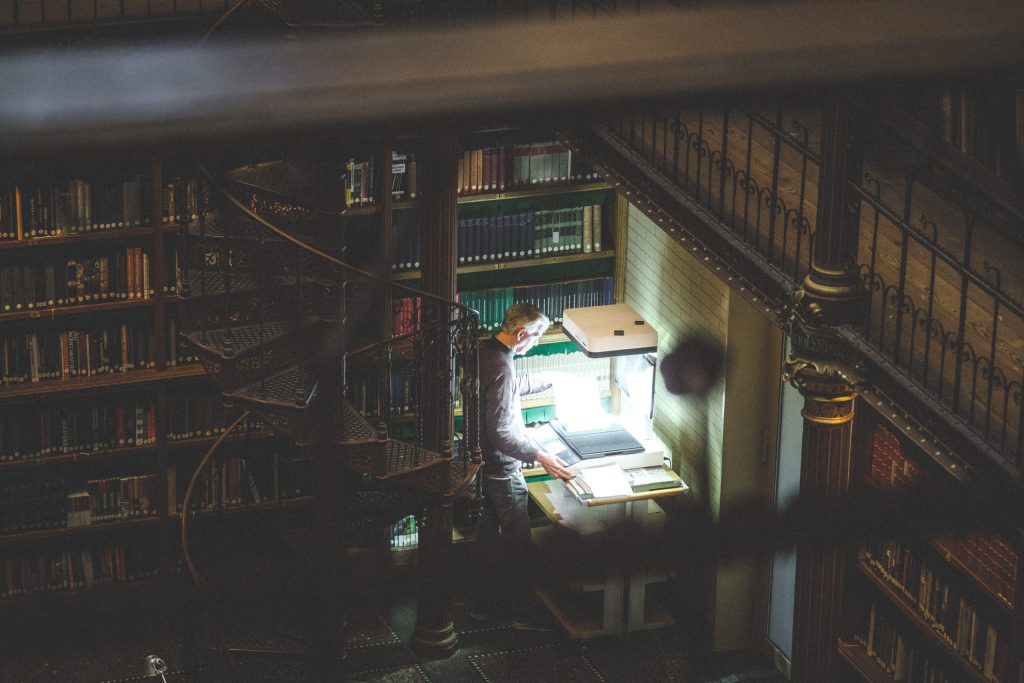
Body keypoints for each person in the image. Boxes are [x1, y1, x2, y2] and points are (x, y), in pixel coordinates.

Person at [471, 302, 573, 629]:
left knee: (486, 541)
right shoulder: (503, 367)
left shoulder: (486, 353)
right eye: (537, 336)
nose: (538, 343)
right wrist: (540, 455)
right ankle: (522, 614)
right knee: (520, 547)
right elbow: (500, 432)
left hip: (481, 465)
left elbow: (509, 388)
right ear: (521, 334)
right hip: (502, 468)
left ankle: (481, 607)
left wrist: (551, 379)